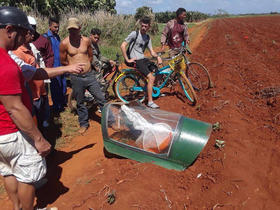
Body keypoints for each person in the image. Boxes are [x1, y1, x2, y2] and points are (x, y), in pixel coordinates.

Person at [0, 6, 51, 210]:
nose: (24, 38)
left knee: (8, 171)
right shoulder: (6, 64)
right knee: (27, 177)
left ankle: (16, 207)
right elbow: (15, 108)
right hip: (13, 132)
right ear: (10, 29)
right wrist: (39, 139)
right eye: (21, 33)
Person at [60, 17, 107, 134]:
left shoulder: (86, 41)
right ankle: (84, 123)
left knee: (101, 98)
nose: (72, 32)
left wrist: (87, 66)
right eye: (70, 30)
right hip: (76, 77)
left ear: (80, 29)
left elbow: (90, 56)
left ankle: (108, 120)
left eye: (75, 29)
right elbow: (63, 61)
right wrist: (73, 68)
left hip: (89, 75)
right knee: (80, 102)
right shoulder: (64, 43)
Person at [13, 17, 50, 129]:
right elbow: (30, 73)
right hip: (33, 95)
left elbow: (40, 64)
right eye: (30, 32)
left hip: (41, 90)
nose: (33, 35)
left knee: (43, 120)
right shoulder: (17, 52)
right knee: (35, 122)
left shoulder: (31, 47)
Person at [120, 16, 162, 109]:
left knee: (157, 71)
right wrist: (127, 59)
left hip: (143, 59)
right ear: (140, 25)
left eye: (146, 26)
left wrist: (158, 57)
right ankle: (150, 102)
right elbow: (123, 45)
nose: (143, 28)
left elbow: (152, 51)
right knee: (151, 78)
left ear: (149, 27)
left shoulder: (147, 37)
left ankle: (151, 90)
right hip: (136, 60)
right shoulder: (134, 34)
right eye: (142, 25)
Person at [44, 16, 67, 113]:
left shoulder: (57, 37)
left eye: (58, 27)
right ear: (50, 26)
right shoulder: (46, 38)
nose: (57, 29)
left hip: (61, 65)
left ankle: (62, 103)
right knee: (55, 87)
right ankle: (56, 107)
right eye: (55, 27)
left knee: (63, 85)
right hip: (53, 66)